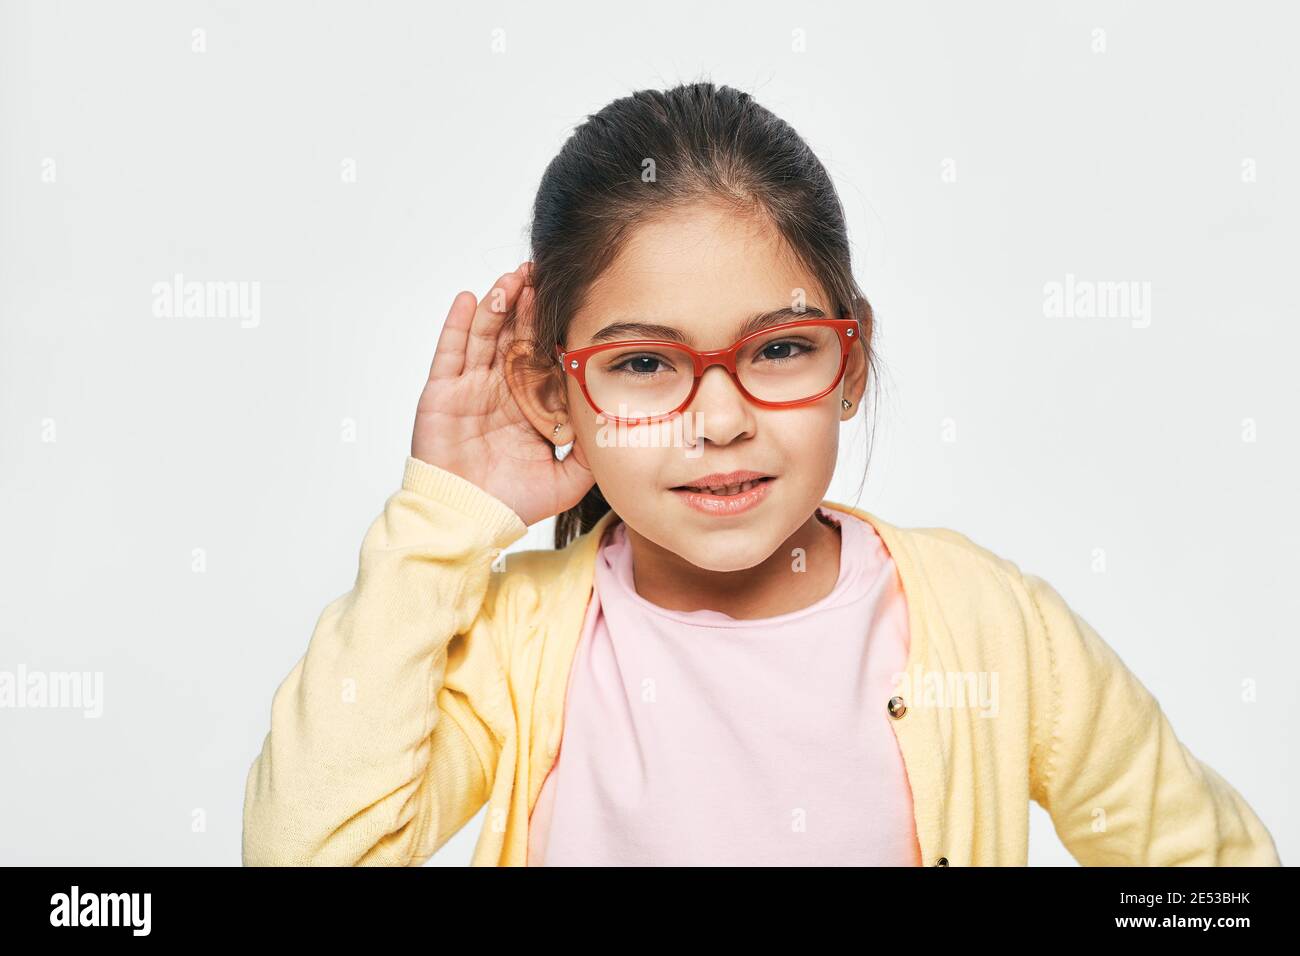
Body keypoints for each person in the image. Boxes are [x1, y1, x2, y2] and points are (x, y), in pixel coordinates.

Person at [241, 81, 1281, 867]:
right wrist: (444, 517)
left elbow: (1208, 873)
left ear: (850, 361)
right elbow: (305, 851)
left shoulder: (988, 623)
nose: (722, 419)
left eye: (778, 349)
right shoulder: (517, 645)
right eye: (644, 364)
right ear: (554, 392)